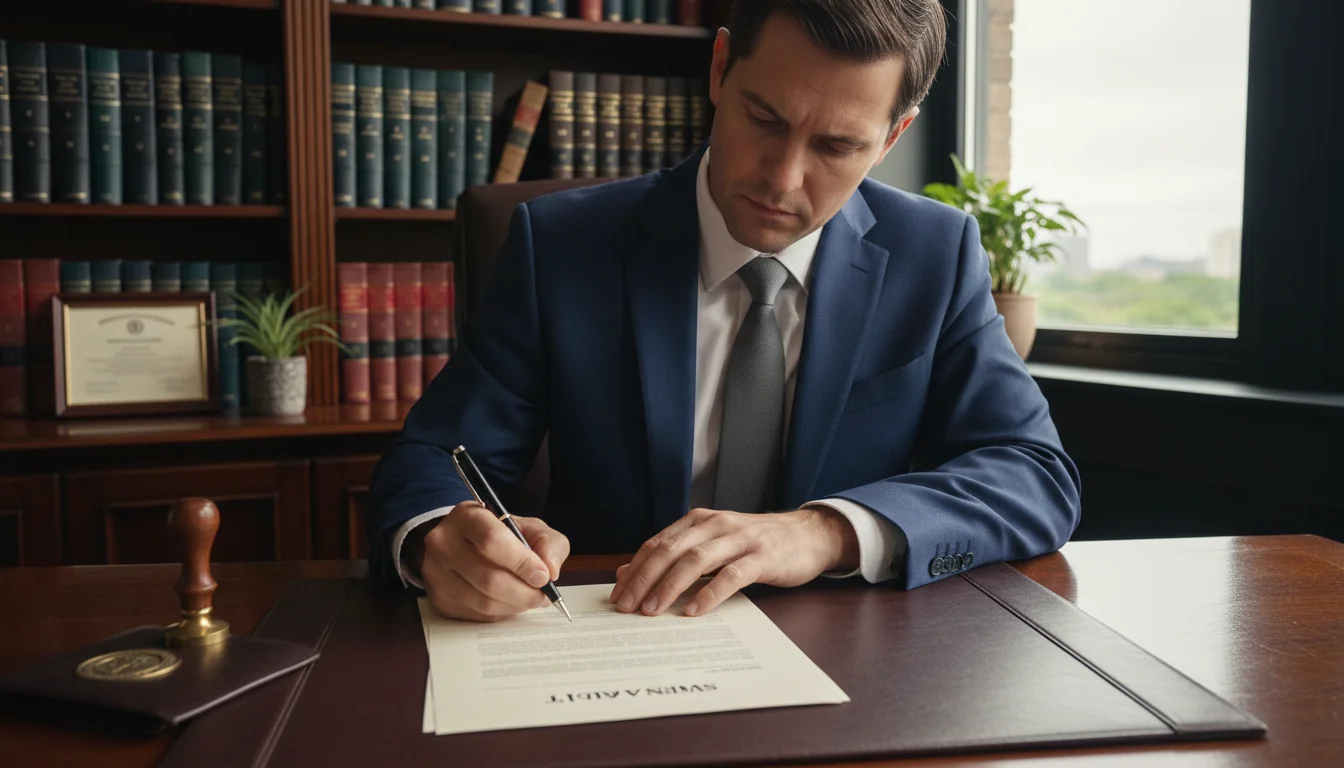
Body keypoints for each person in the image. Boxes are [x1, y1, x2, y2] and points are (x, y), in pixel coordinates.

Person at [366, 0, 1081, 623]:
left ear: (893, 137)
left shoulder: (936, 253)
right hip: (608, 638)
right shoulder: (558, 246)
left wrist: (823, 532)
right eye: (764, 119)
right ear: (719, 70)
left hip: (850, 662)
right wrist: (438, 539)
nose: (783, 178)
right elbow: (434, 457)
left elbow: (1033, 474)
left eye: (838, 146)